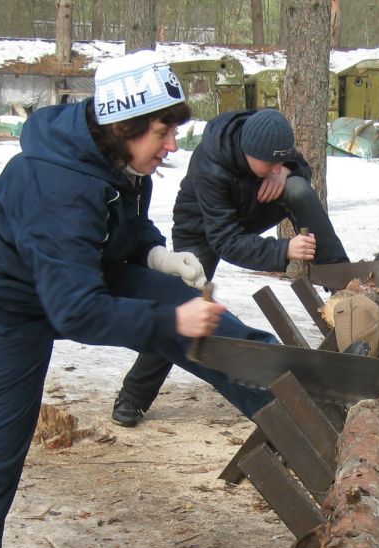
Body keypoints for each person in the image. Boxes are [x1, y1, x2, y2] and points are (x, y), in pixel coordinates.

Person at [0, 51, 277, 548]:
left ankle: (293, 397)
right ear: (124, 126)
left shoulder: (111, 154)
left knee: (182, 308)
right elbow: (76, 311)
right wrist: (169, 316)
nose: (171, 146)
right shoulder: (57, 183)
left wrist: (156, 256)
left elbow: (121, 223)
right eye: (163, 133)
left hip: (72, 275)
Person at [111, 107, 350, 427]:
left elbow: (297, 166)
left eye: (281, 159)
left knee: (298, 188)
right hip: (203, 231)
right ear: (247, 152)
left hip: (247, 213)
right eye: (270, 163)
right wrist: (284, 250)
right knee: (184, 309)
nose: (275, 167)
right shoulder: (213, 163)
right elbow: (225, 240)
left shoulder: (269, 139)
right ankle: (134, 395)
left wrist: (286, 171)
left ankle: (345, 290)